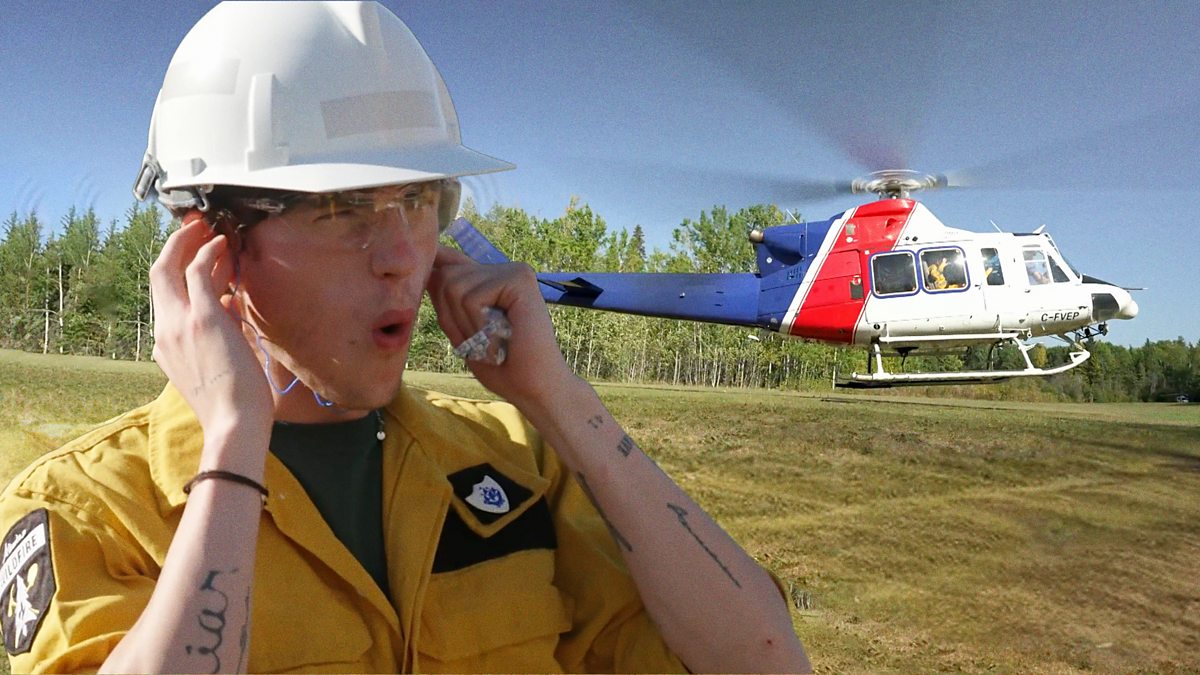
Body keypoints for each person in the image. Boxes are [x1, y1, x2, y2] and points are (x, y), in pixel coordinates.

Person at [0, 3, 810, 673]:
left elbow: (765, 661)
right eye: (341, 208)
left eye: (421, 202)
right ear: (207, 241)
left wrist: (562, 401)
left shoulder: (518, 464)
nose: (400, 257)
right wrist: (235, 445)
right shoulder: (89, 509)